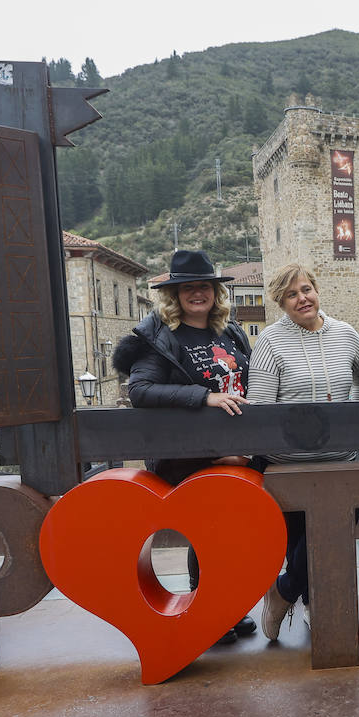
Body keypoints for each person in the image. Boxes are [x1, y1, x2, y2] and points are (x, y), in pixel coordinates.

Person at [112, 249, 256, 642]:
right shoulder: (159, 337)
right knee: (206, 531)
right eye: (188, 288)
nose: (197, 294)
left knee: (231, 534)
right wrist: (202, 397)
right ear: (174, 296)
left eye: (204, 286)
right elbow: (140, 390)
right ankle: (207, 611)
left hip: (236, 449)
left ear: (215, 291)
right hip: (188, 455)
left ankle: (225, 605)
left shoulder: (230, 331)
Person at [249, 265, 359, 639]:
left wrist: (355, 422)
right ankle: (307, 601)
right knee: (301, 546)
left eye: (306, 289)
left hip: (340, 463)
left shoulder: (346, 335)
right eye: (291, 295)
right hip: (290, 468)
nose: (302, 299)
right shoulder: (269, 342)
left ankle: (283, 592)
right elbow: (262, 407)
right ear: (281, 303)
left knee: (328, 545)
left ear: (317, 290)